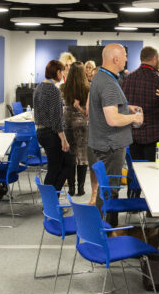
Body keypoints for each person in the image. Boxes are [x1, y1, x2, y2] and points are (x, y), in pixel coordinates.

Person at [88, 43, 143, 227]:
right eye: (125, 56)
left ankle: (102, 228)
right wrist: (134, 117)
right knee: (109, 192)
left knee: (107, 190)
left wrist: (127, 109)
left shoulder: (101, 77)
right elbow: (112, 119)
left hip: (103, 143)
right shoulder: (109, 83)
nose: (127, 59)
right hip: (110, 146)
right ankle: (105, 232)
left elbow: (101, 110)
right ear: (115, 58)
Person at [121, 46, 159, 161]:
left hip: (133, 134)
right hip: (156, 133)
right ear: (154, 58)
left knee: (137, 170)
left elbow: (123, 105)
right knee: (155, 171)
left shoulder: (128, 78)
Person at [34, 60, 73, 192]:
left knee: (59, 166)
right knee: (60, 166)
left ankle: (52, 200)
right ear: (57, 72)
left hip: (41, 132)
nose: (62, 74)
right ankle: (50, 202)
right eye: (62, 71)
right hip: (51, 133)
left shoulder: (39, 87)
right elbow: (56, 118)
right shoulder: (53, 90)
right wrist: (64, 139)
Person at [61, 62, 90, 197]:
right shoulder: (87, 87)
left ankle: (71, 188)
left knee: (70, 155)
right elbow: (88, 112)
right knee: (82, 156)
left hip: (67, 122)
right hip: (81, 123)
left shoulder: (63, 87)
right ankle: (81, 188)